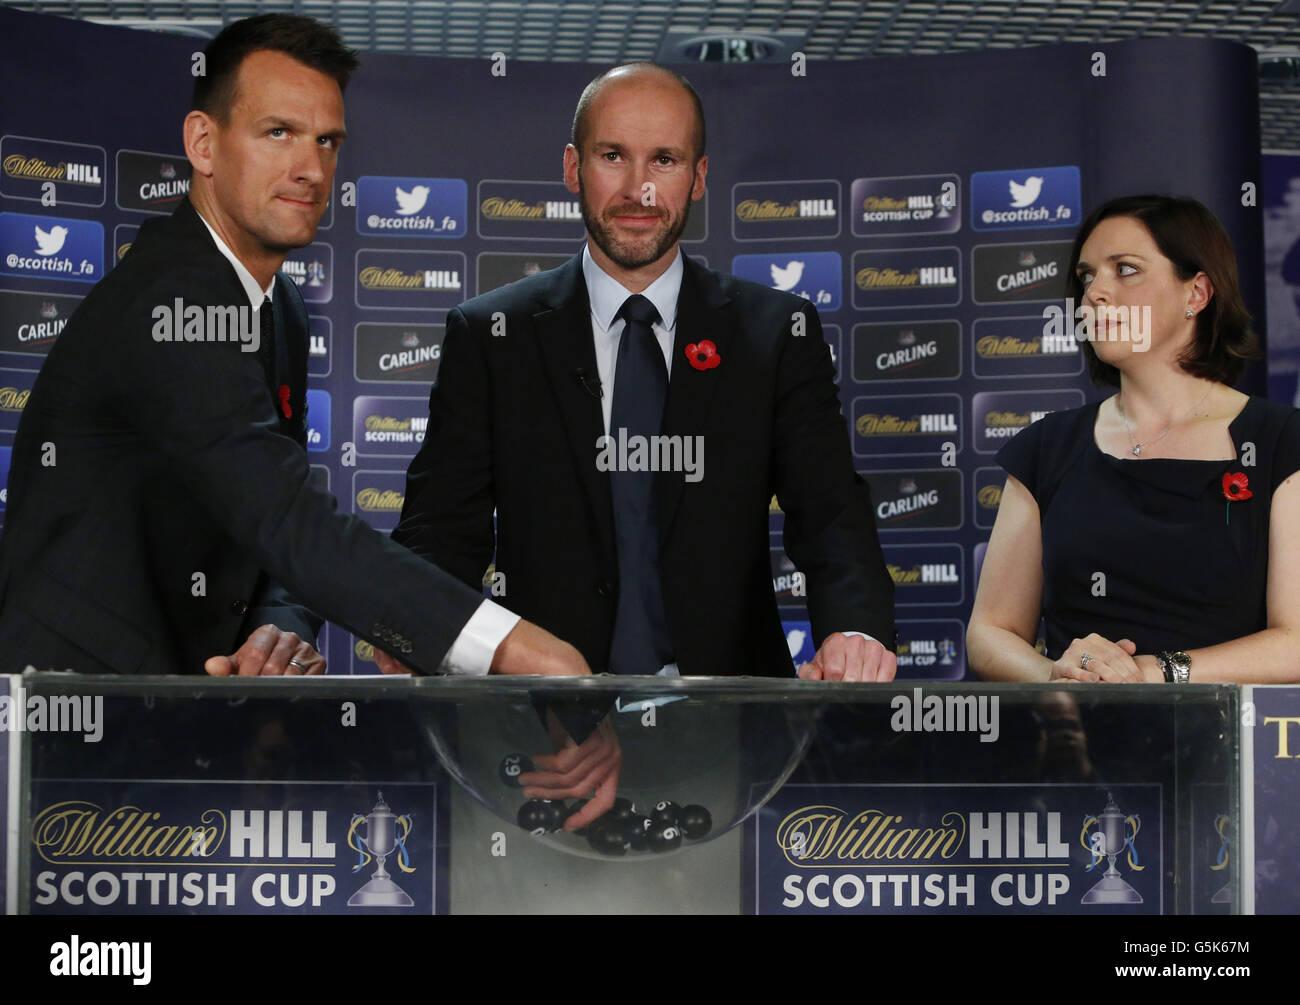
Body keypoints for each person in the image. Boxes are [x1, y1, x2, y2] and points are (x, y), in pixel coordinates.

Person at [0, 15, 587, 686]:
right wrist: (508, 645)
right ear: (203, 143)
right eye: (278, 133)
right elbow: (285, 514)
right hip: (66, 716)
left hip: (174, 712)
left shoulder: (281, 307)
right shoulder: (173, 299)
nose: (311, 169)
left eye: (328, 141)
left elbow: (260, 522)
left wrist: (277, 623)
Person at [387, 62, 896, 682]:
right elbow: (441, 530)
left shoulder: (775, 332)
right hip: (543, 725)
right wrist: (416, 623)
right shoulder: (493, 336)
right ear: (573, 167)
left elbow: (831, 514)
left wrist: (854, 630)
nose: (639, 189)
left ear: (699, 177)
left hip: (732, 727)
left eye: (664, 160)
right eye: (612, 156)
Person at [968, 194, 1300, 684]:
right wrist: (1057, 674)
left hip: (1228, 750)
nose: (1095, 293)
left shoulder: (1281, 441)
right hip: (1074, 747)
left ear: (1197, 293)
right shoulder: (1047, 447)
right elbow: (990, 632)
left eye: (1125, 269)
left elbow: (1294, 644)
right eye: (1087, 276)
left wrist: (1155, 672)